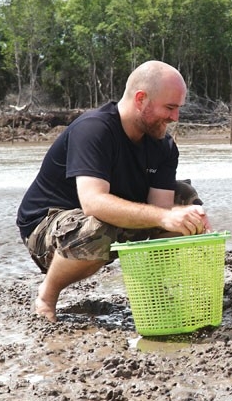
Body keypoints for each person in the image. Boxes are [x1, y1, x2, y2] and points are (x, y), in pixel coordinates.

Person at [16, 60, 211, 322]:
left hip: (105, 220)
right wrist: (164, 217)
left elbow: (160, 210)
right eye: (170, 107)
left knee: (185, 197)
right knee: (99, 228)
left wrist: (184, 216)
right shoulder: (94, 129)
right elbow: (93, 203)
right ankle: (47, 296)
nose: (175, 118)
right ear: (141, 99)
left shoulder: (163, 145)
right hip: (47, 226)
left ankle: (154, 292)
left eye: (178, 109)